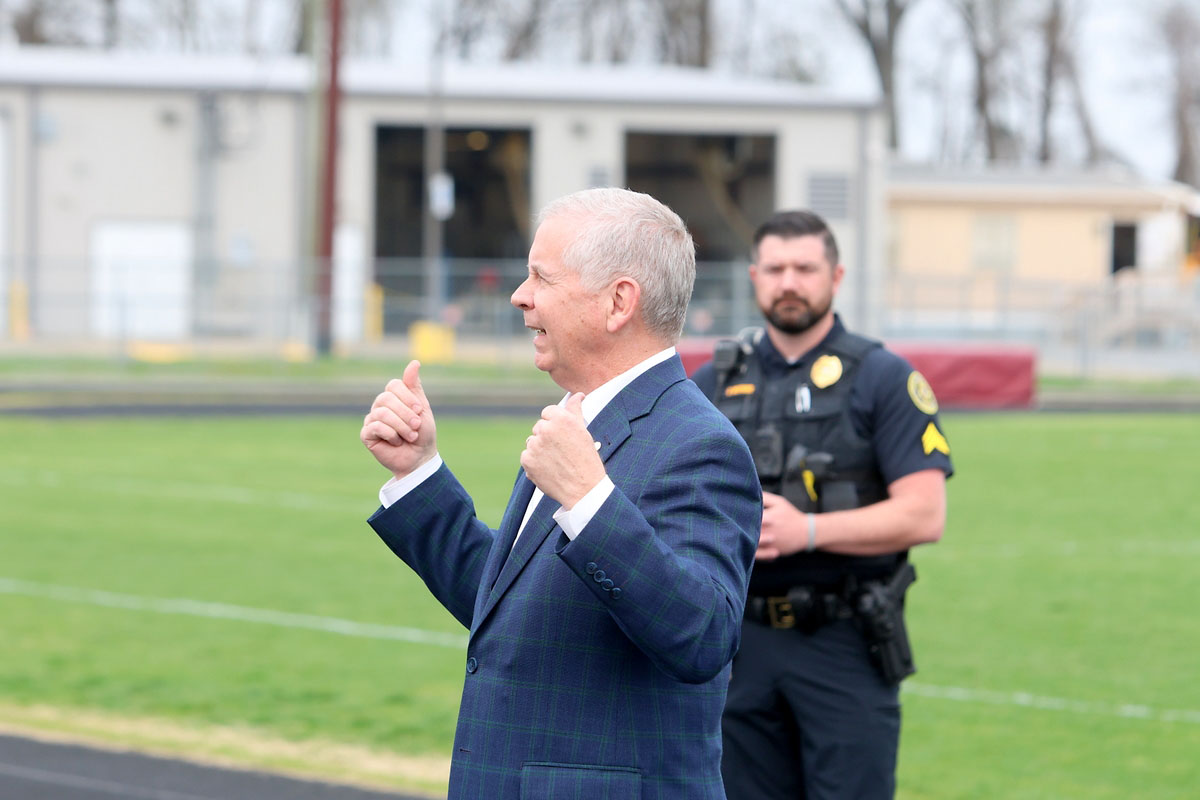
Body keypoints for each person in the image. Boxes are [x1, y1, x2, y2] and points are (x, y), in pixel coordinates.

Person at [360, 187, 762, 800]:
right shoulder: (580, 417)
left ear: (618, 302)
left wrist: (589, 499)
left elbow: (703, 635)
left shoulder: (701, 445)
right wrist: (419, 473)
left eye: (541, 277)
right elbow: (508, 609)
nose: (520, 295)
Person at [690, 210, 954, 800]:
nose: (789, 282)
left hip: (843, 642)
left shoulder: (883, 378)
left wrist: (809, 530)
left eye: (805, 268)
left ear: (835, 276)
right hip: (737, 645)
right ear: (754, 276)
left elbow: (925, 513)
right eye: (776, 268)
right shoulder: (712, 380)